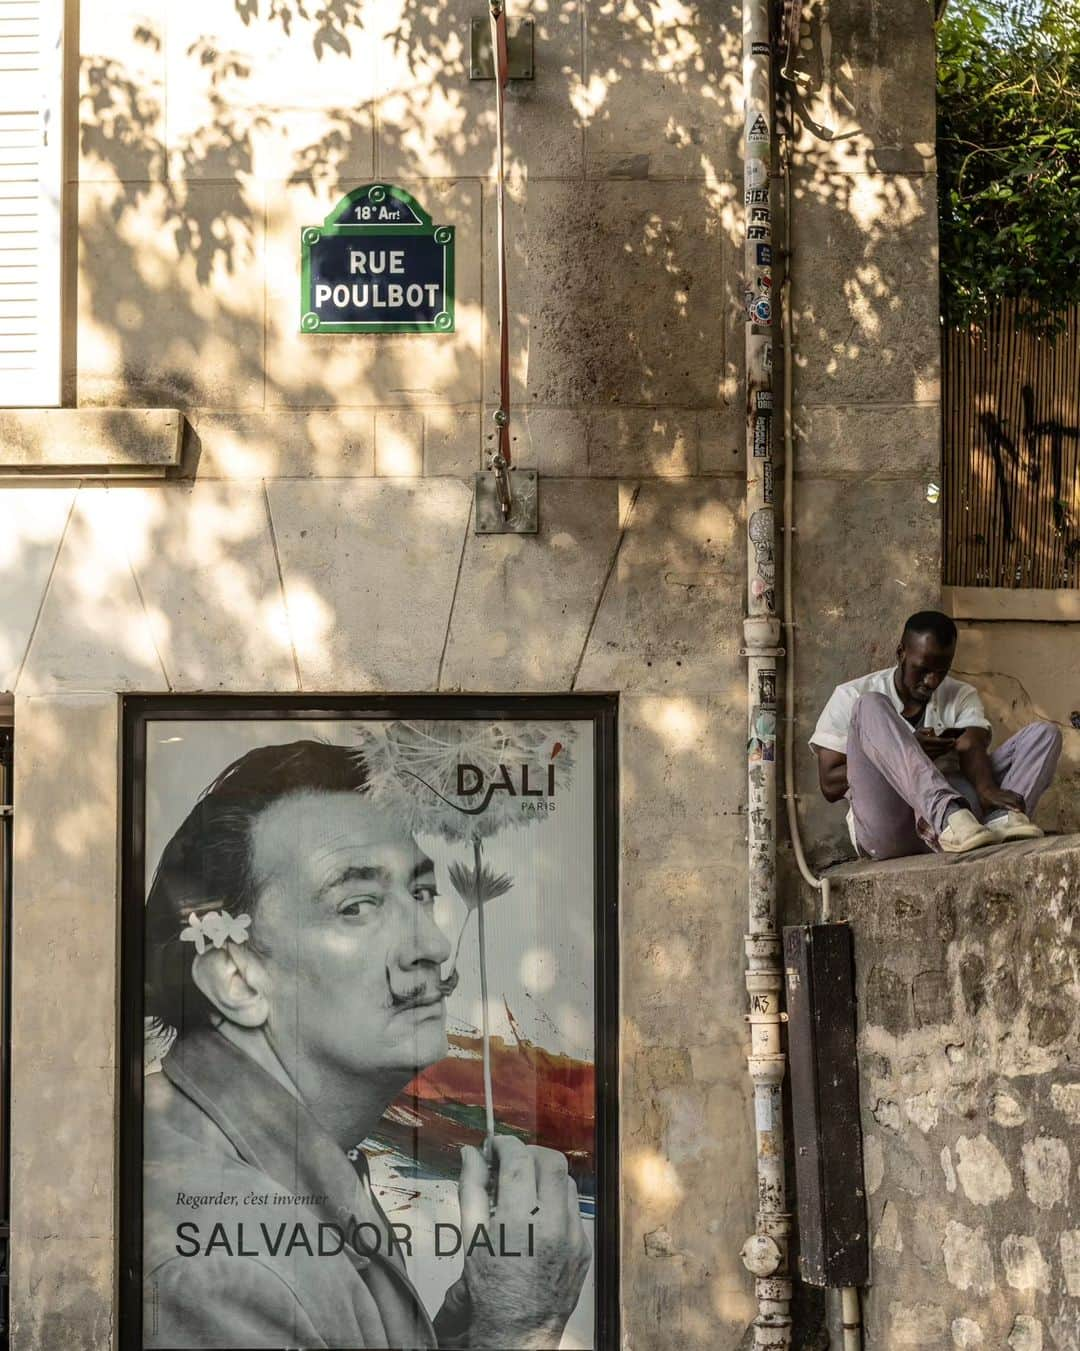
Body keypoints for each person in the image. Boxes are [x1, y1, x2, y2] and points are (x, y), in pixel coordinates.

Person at [142, 740, 591, 1349]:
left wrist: (468, 1332)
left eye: (422, 895)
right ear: (237, 978)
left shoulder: (288, 1157)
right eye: (357, 906)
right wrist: (520, 1331)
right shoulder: (222, 1265)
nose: (431, 948)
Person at [810, 611, 1063, 861]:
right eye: (922, 670)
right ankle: (946, 814)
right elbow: (829, 785)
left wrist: (986, 789)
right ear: (901, 653)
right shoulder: (851, 695)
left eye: (941, 671)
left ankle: (1002, 820)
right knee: (870, 705)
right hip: (892, 829)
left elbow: (972, 744)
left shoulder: (960, 694)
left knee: (1045, 735)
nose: (931, 681)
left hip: (968, 826)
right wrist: (904, 752)